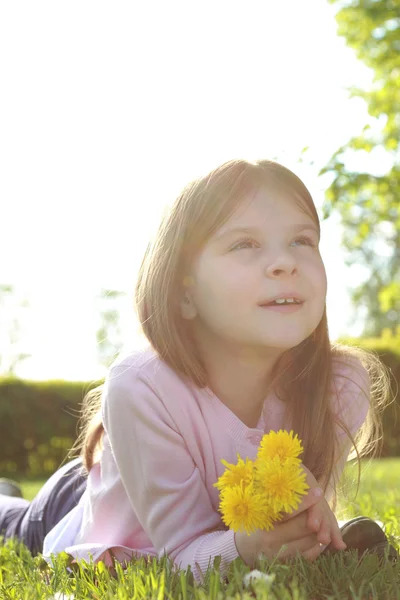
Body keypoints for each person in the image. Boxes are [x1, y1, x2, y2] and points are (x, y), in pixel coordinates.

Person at [0, 159, 395, 583]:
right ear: (184, 295)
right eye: (245, 244)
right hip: (93, 509)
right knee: (15, 524)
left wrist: (308, 524)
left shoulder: (340, 385)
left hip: (145, 475)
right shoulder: (141, 387)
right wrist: (247, 549)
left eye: (302, 240)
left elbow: (300, 521)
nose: (285, 262)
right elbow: (179, 557)